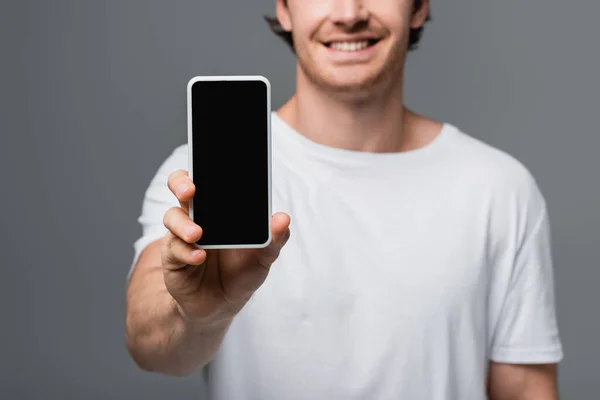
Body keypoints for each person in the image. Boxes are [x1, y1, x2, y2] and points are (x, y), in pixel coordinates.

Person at [125, 1, 564, 398]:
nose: (349, 12)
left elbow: (525, 388)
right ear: (284, 8)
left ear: (418, 7)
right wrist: (200, 315)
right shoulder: (198, 177)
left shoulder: (500, 187)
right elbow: (150, 348)